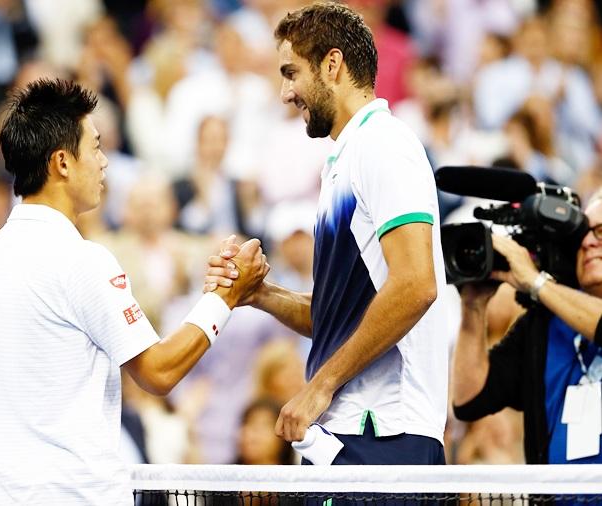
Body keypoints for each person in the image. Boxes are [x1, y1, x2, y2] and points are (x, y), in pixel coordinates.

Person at [0, 78, 269, 505]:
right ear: (63, 162)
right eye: (95, 147)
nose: (103, 163)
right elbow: (158, 372)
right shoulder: (83, 261)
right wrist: (224, 297)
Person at [206, 3, 448, 465]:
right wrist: (259, 293)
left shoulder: (384, 144)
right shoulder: (346, 158)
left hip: (383, 432)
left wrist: (320, 385)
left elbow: (416, 285)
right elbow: (342, 318)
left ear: (331, 65)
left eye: (291, 72)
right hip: (352, 433)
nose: (284, 93)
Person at [452, 191, 602, 464]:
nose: (589, 242)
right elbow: (469, 399)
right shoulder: (542, 324)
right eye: (582, 234)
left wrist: (535, 281)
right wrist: (473, 305)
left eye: (601, 232)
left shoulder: (541, 292)